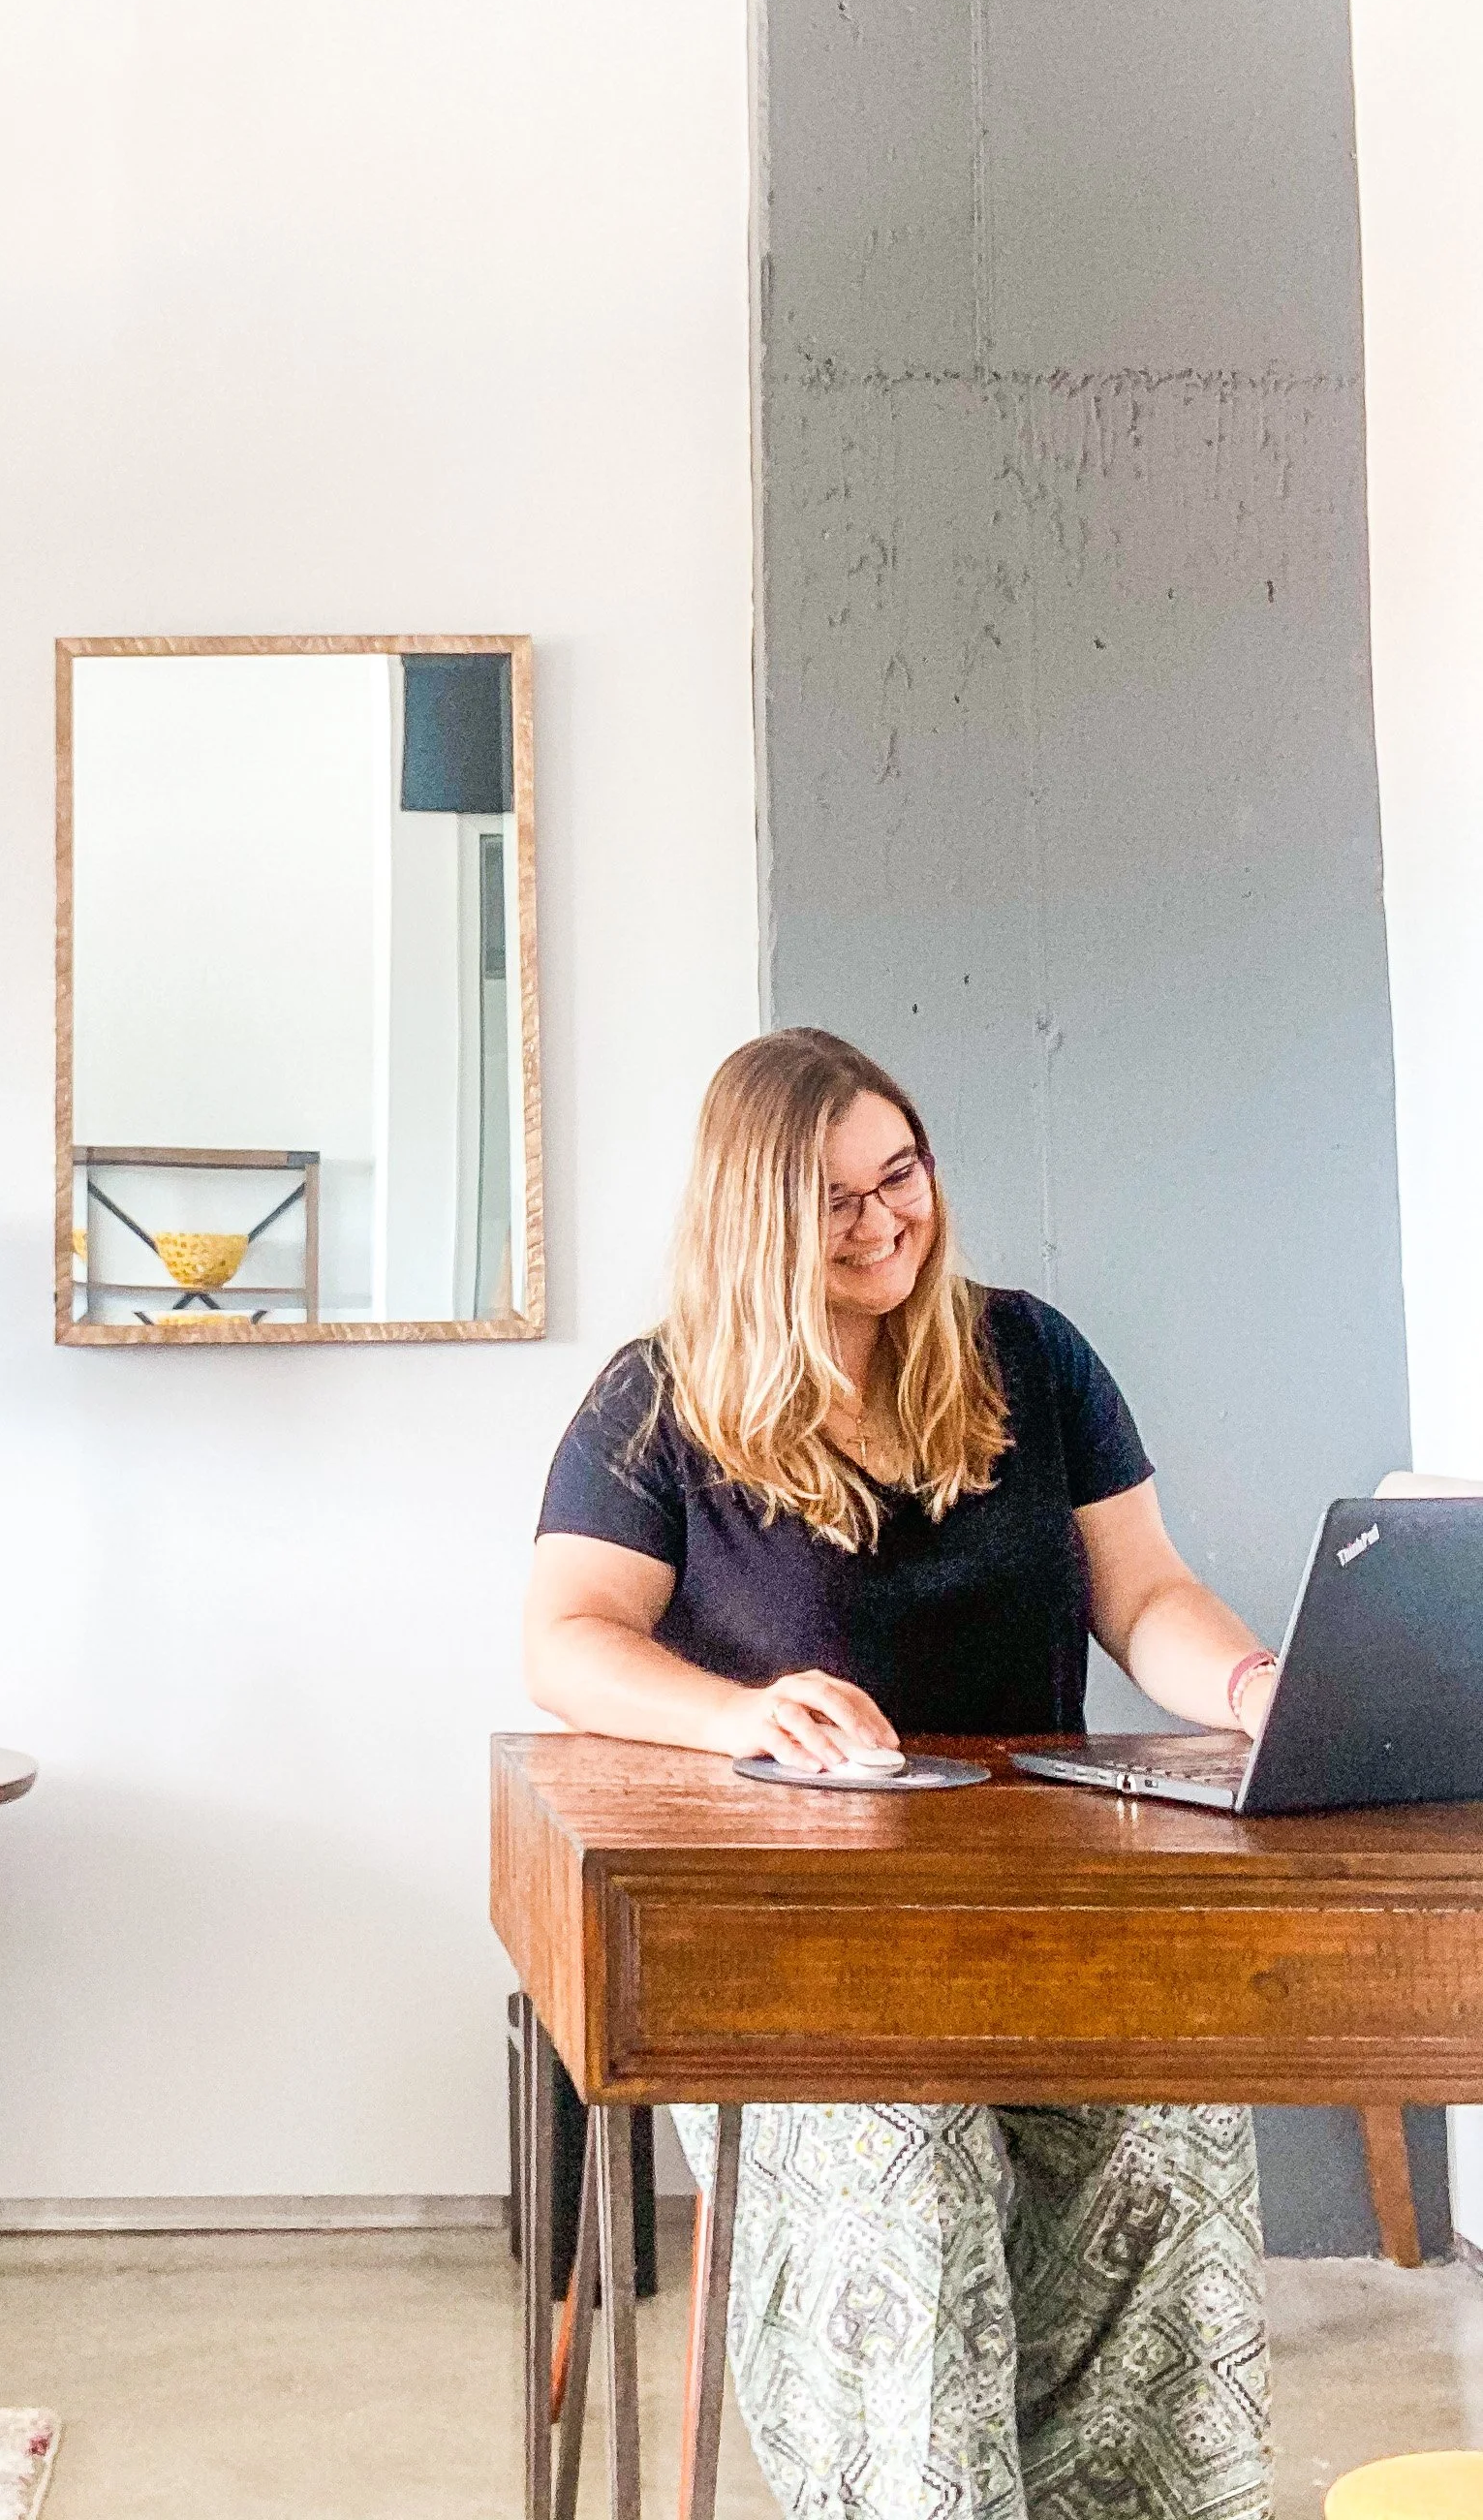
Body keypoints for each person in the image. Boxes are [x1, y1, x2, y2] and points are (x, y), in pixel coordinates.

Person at [524, 1027, 1278, 2520]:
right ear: (754, 1216)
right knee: (913, 2157)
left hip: (1033, 1928)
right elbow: (564, 1641)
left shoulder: (1034, 1357)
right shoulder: (657, 1401)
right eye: (835, 1200)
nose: (885, 1223)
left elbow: (1142, 1596)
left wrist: (1254, 1682)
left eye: (903, 1174)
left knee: (1172, 2128)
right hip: (796, 1959)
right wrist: (735, 1715)